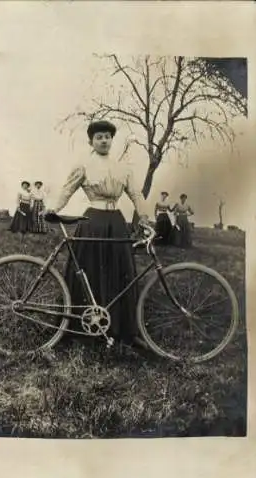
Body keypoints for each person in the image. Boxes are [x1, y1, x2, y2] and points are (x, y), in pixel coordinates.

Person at [48, 120, 150, 347]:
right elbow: (68, 189)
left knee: (119, 271)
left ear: (112, 140)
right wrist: (54, 209)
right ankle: (78, 326)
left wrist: (144, 217)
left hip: (116, 223)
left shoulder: (122, 168)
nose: (104, 140)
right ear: (91, 141)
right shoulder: (84, 165)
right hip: (92, 222)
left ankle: (123, 327)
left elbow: (136, 194)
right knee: (89, 269)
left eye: (107, 136)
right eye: (99, 137)